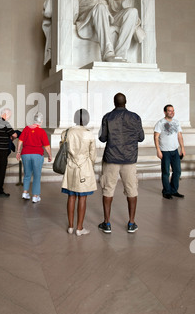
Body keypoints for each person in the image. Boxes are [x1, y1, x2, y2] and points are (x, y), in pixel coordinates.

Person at [98, 93, 144, 233]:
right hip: (129, 159)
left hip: (111, 158)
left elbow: (103, 138)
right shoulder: (135, 117)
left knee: (108, 189)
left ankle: (107, 223)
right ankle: (131, 223)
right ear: (126, 102)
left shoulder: (107, 117)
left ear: (114, 102)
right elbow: (141, 138)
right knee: (132, 189)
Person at [61, 109, 97, 236]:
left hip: (71, 166)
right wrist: (89, 165)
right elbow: (93, 155)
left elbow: (63, 148)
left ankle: (70, 227)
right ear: (87, 119)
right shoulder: (89, 134)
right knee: (82, 197)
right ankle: (79, 228)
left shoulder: (67, 132)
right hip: (84, 167)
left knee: (71, 196)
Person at [16, 112, 52, 203]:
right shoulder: (42, 131)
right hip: (37, 154)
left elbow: (20, 141)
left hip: (25, 154)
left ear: (34, 120)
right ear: (41, 121)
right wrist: (50, 155)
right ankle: (35, 196)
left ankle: (25, 192)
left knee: (27, 174)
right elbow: (47, 146)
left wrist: (18, 151)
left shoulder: (26, 129)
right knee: (37, 175)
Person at [154, 104, 185, 199]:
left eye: (173, 110)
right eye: (169, 111)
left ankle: (174, 190)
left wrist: (182, 148)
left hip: (175, 151)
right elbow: (156, 137)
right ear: (165, 112)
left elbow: (179, 136)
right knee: (166, 172)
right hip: (165, 151)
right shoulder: (160, 123)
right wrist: (158, 150)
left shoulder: (176, 122)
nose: (172, 112)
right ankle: (166, 191)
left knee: (177, 171)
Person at [0, 108, 19, 198]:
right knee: (1, 171)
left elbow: (0, 133)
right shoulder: (5, 123)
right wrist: (13, 136)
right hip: (1, 150)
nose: (9, 117)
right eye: (9, 116)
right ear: (6, 115)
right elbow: (14, 135)